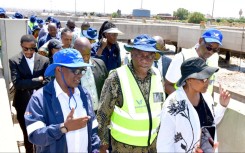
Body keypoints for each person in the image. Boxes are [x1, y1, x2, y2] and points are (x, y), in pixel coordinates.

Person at [97, 34, 165, 152]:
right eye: (140, 54)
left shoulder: (157, 75)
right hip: (124, 148)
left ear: (154, 57)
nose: (145, 59)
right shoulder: (117, 77)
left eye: (149, 55)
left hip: (152, 147)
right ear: (132, 54)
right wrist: (103, 144)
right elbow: (103, 114)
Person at [24, 48, 100, 152]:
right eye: (76, 71)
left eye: (82, 70)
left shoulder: (84, 94)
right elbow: (35, 136)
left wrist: (95, 150)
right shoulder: (39, 99)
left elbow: (93, 128)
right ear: (59, 69)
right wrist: (63, 128)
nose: (80, 75)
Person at [156, 57, 230, 152]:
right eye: (203, 79)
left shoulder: (207, 98)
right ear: (189, 80)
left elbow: (211, 122)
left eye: (208, 78)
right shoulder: (173, 104)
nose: (207, 82)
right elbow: (164, 144)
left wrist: (222, 105)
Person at [9, 34, 50, 153]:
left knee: (40, 132)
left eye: (32, 48)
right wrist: (38, 80)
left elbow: (47, 82)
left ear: (36, 47)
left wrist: (28, 82)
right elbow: (17, 84)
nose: (29, 51)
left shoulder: (44, 60)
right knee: (27, 134)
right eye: (25, 48)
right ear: (21, 47)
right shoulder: (14, 60)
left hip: (41, 104)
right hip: (22, 104)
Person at [165, 28, 223, 95]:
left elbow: (210, 87)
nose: (211, 52)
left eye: (215, 50)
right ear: (200, 40)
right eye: (209, 47)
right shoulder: (182, 57)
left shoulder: (214, 58)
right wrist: (185, 101)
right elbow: (168, 86)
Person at [74, 37, 108, 113]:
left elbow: (107, 89)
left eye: (88, 54)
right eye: (82, 55)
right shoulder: (70, 70)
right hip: (81, 114)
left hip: (100, 113)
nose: (86, 58)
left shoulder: (100, 64)